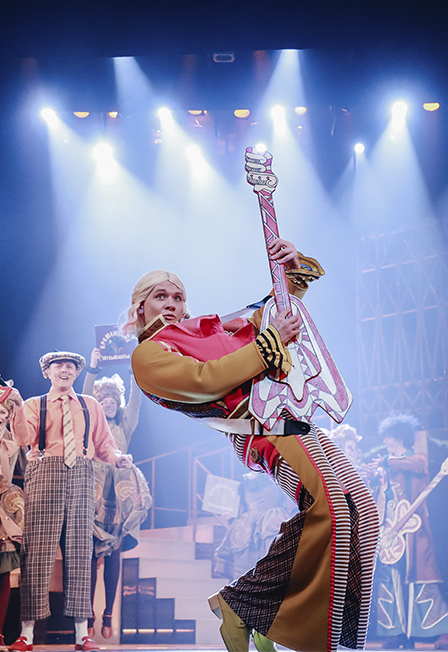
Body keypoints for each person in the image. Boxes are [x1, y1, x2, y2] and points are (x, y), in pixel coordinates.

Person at [124, 238, 380, 652]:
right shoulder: (149, 354)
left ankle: (266, 616)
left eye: (178, 297)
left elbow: (264, 321)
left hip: (295, 416)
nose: (171, 303)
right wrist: (269, 342)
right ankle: (243, 606)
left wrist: (289, 274)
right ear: (141, 307)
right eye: (160, 296)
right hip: (263, 428)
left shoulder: (208, 329)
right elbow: (206, 380)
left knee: (363, 514)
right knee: (329, 509)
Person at [8, 351, 132, 652]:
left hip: (82, 475)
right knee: (37, 553)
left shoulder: (90, 405)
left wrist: (117, 459)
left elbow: (105, 444)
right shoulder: (33, 404)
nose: (64, 371)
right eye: (58, 366)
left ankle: (81, 635)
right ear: (47, 372)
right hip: (44, 473)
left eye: (69, 367)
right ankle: (26, 633)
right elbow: (22, 438)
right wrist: (16, 409)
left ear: (77, 373)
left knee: (80, 552)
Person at [82, 349, 151, 639]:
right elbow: (84, 400)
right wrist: (92, 369)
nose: (108, 403)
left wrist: (135, 373)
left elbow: (135, 403)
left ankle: (108, 613)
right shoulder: (90, 426)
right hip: (93, 493)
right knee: (88, 555)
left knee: (114, 553)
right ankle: (87, 614)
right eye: (103, 401)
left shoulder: (125, 425)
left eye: (112, 400)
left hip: (119, 496)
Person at [374, 413, 448, 650]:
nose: (385, 442)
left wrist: (388, 461)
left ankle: (440, 630)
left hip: (415, 530)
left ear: (399, 438)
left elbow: (418, 464)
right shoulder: (386, 467)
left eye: (389, 437)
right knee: (391, 579)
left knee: (423, 576)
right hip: (391, 532)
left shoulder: (415, 460)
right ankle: (397, 632)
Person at [0, 395, 24, 652]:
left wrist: (17, 405)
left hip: (4, 510)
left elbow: (25, 466)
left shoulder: (12, 440)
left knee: (4, 574)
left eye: (3, 413)